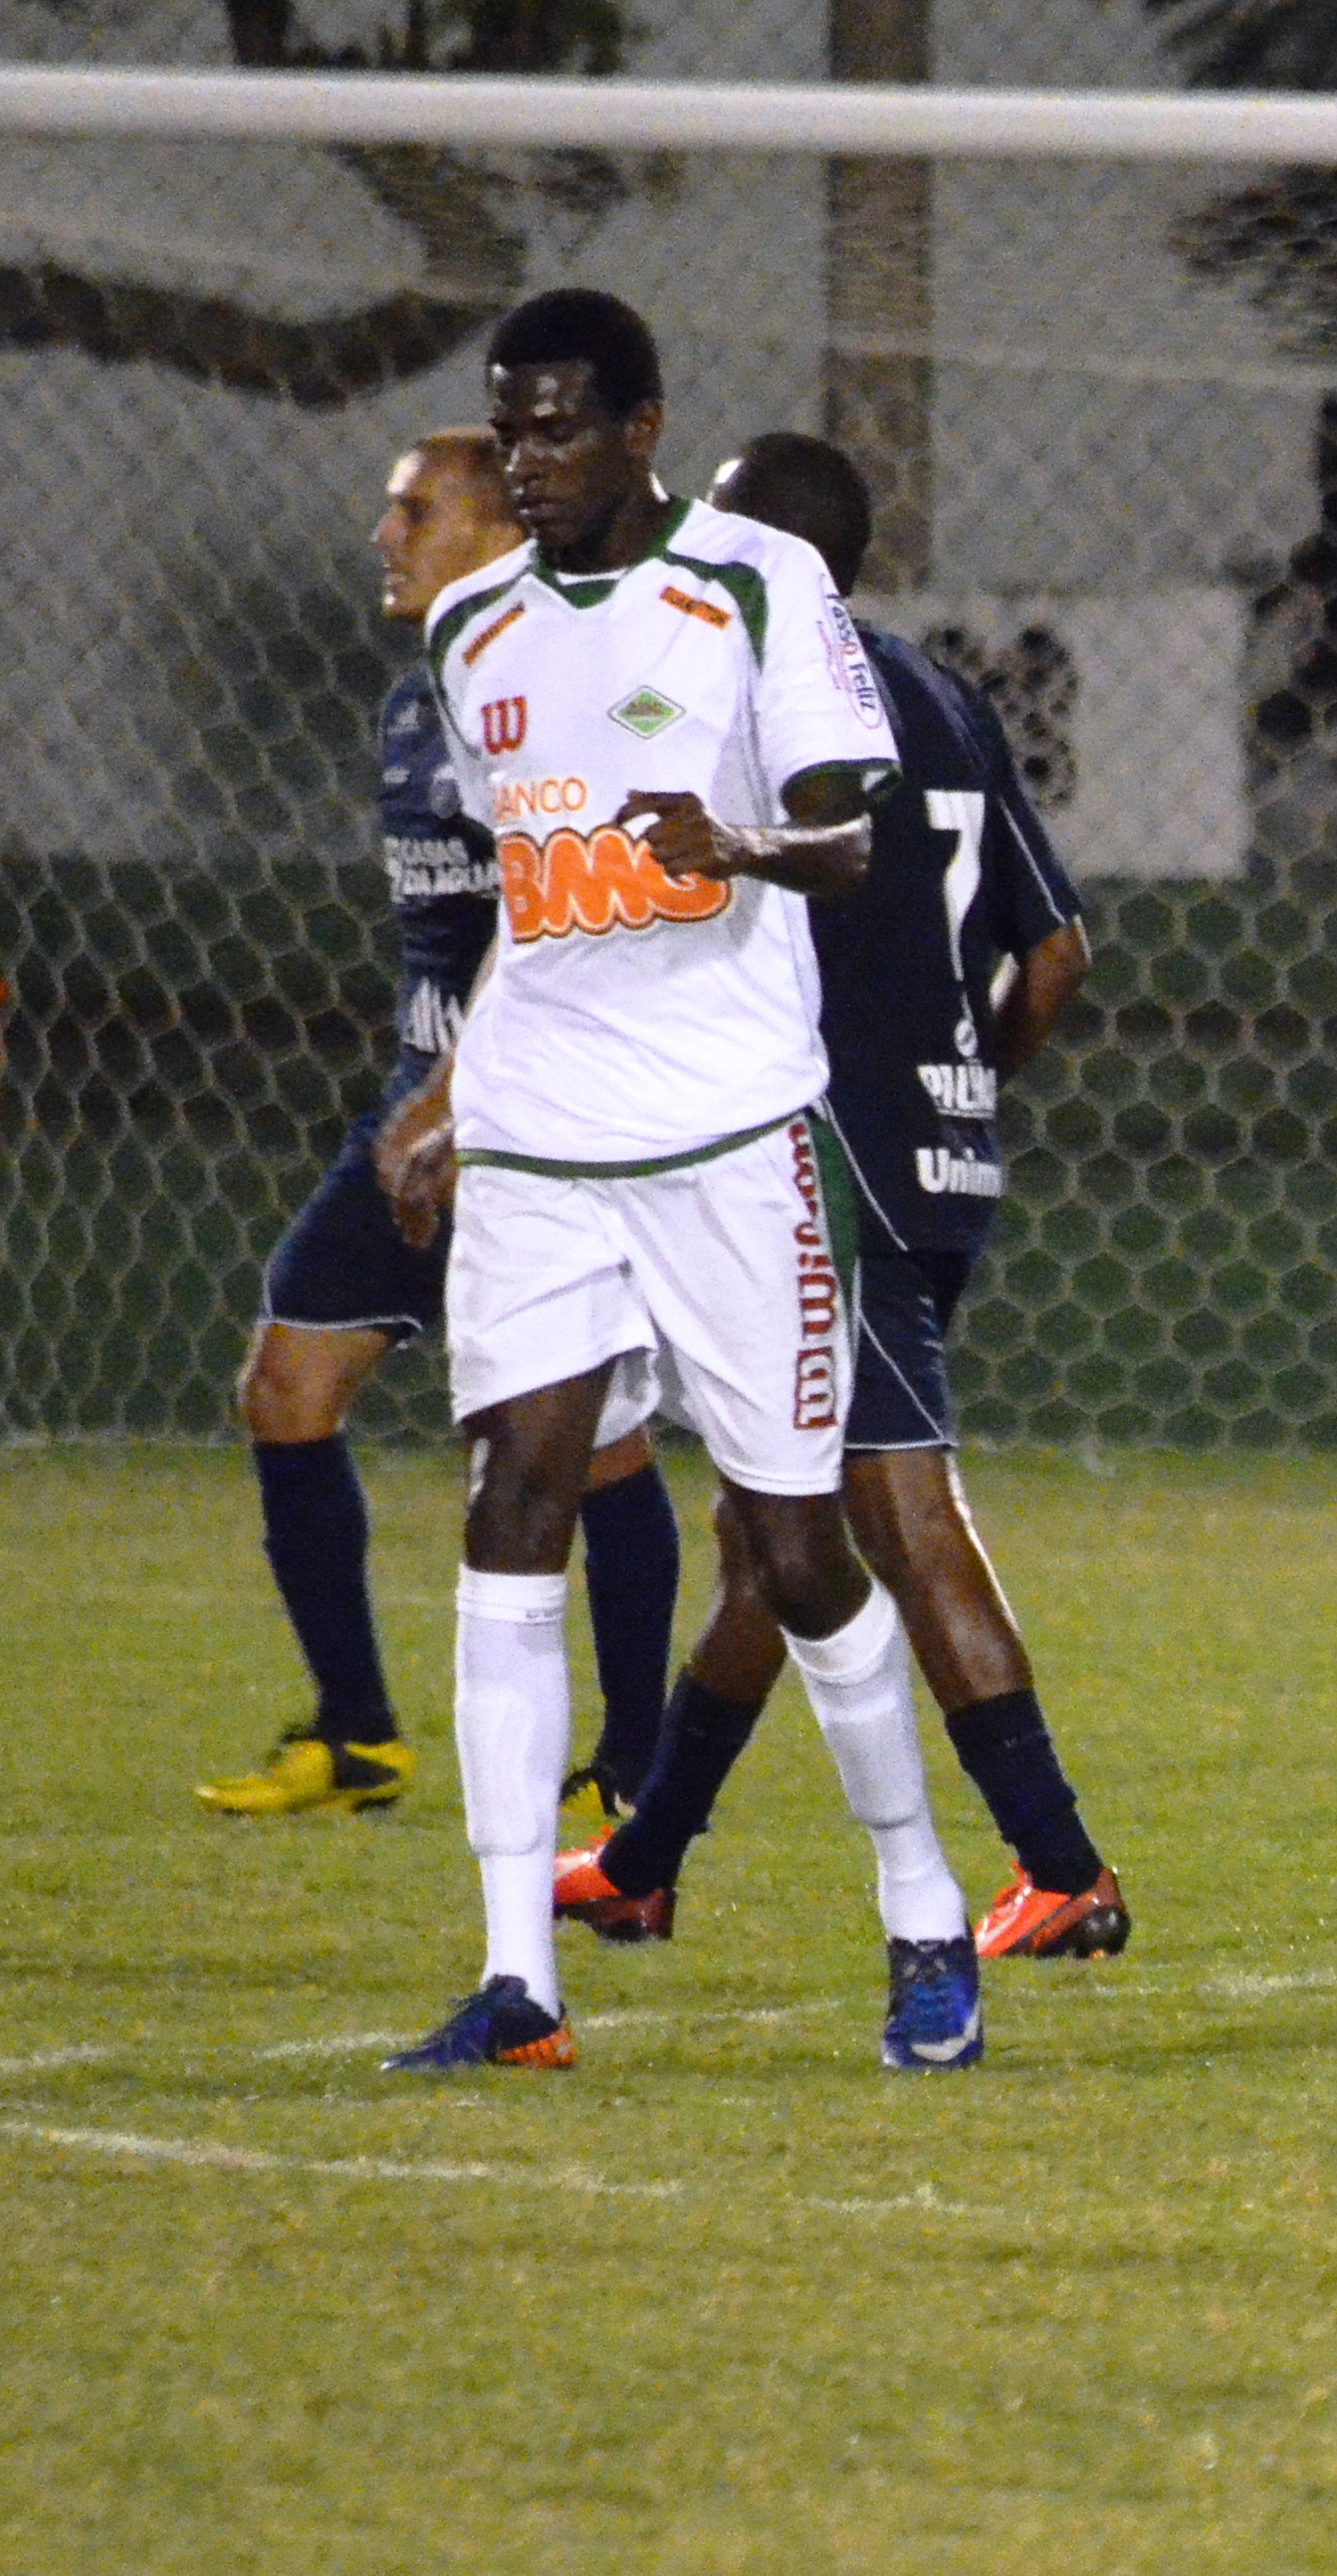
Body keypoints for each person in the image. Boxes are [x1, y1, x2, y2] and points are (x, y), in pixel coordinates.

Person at [375, 288, 983, 2076]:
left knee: (795, 1551)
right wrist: (450, 1099)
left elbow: (855, 841)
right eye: (509, 428)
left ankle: (922, 1908)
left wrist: (739, 842)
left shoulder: (754, 585)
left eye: (560, 426)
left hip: (730, 1136)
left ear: (642, 428)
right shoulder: (473, 627)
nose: (528, 460)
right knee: (512, 1506)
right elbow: (529, 901)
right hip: (542, 1136)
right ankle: (518, 1981)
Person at [551, 429, 1125, 1963]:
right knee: (770, 1534)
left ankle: (1059, 1863)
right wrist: (960, 1085)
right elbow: (1057, 953)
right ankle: (644, 1861)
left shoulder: (751, 690)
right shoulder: (939, 694)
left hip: (823, 1167)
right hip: (936, 1154)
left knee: (893, 1509)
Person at [198, 429, 680, 1821]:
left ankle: (634, 1774)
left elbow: (560, 916)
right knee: (287, 1387)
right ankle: (358, 1735)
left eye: (414, 510)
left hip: (537, 1114)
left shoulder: (561, 685)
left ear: (498, 533)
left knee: (592, 1447)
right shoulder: (423, 699)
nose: (383, 535)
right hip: (421, 1111)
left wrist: (465, 1094)